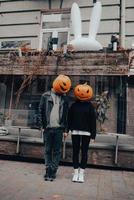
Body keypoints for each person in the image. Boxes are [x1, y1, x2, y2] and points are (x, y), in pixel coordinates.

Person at [38, 74, 71, 181]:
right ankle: (47, 169)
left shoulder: (65, 99)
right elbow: (40, 111)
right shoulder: (45, 96)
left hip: (59, 129)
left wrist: (66, 130)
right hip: (48, 128)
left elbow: (66, 115)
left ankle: (53, 171)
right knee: (47, 150)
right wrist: (42, 126)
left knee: (57, 151)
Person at [67, 83, 96, 183]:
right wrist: (67, 130)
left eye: (86, 91)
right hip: (75, 132)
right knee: (75, 152)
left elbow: (93, 121)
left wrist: (93, 135)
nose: (83, 93)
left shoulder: (90, 106)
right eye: (80, 91)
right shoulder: (74, 106)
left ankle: (81, 173)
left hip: (87, 133)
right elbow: (69, 119)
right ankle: (75, 172)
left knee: (84, 153)